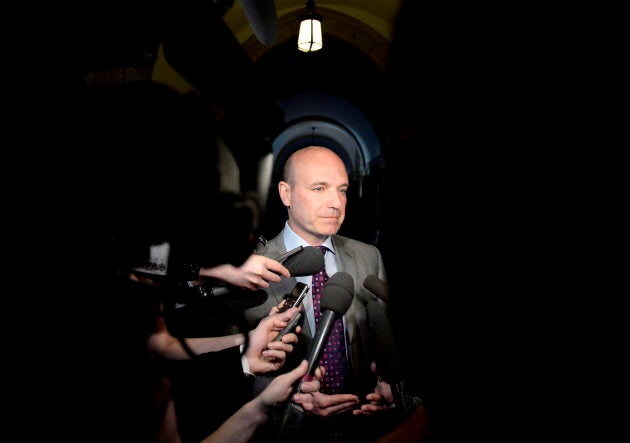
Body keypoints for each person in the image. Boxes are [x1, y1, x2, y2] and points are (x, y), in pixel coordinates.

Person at [243, 146, 399, 443]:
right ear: (285, 194)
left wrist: (389, 386)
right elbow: (233, 373)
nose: (336, 203)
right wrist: (292, 401)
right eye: (319, 188)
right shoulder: (251, 270)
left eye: (342, 190)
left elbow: (390, 342)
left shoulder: (369, 256)